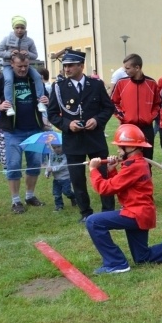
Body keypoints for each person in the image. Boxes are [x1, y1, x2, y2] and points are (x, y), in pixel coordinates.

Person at [85, 124, 162, 275]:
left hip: (136, 214)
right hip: (141, 214)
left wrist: (93, 170)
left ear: (130, 148)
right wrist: (112, 170)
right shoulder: (135, 164)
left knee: (93, 221)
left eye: (120, 147)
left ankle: (116, 263)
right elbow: (121, 185)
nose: (118, 151)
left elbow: (105, 189)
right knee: (142, 257)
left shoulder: (134, 166)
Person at [47, 49, 116, 224]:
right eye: (65, 66)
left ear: (81, 66)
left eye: (70, 65)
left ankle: (108, 210)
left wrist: (97, 120)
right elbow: (53, 114)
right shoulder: (59, 87)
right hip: (73, 140)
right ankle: (85, 212)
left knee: (104, 175)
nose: (67, 69)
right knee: (77, 179)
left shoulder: (96, 85)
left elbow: (108, 108)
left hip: (95, 139)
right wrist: (67, 125)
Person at [0, 54, 49, 214]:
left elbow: (46, 97)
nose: (23, 69)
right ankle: (16, 201)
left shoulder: (33, 79)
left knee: (35, 164)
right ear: (11, 65)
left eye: (26, 66)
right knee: (14, 165)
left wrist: (46, 100)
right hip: (13, 132)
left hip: (35, 129)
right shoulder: (3, 79)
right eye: (19, 66)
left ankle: (30, 196)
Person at [0, 16, 47, 117]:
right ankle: (9, 105)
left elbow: (35, 55)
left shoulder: (29, 41)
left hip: (26, 65)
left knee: (38, 77)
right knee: (8, 80)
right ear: (13, 28)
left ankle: (41, 101)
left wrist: (27, 54)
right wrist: (9, 54)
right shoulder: (6, 39)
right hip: (9, 65)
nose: (19, 30)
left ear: (25, 28)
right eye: (17, 27)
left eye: (22, 28)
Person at [110, 53, 161, 161]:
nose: (125, 71)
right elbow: (113, 103)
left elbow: (158, 104)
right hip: (127, 128)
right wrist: (122, 116)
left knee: (147, 161)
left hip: (146, 129)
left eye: (128, 68)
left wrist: (150, 116)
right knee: (127, 162)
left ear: (137, 68)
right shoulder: (121, 83)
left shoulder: (151, 83)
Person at [45, 142, 76, 211]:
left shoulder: (66, 155)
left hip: (65, 178)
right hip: (56, 179)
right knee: (56, 193)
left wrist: (52, 169)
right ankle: (59, 206)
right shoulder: (52, 154)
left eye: (58, 147)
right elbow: (49, 164)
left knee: (67, 192)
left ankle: (74, 197)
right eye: (54, 148)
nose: (57, 149)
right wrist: (47, 172)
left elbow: (62, 166)